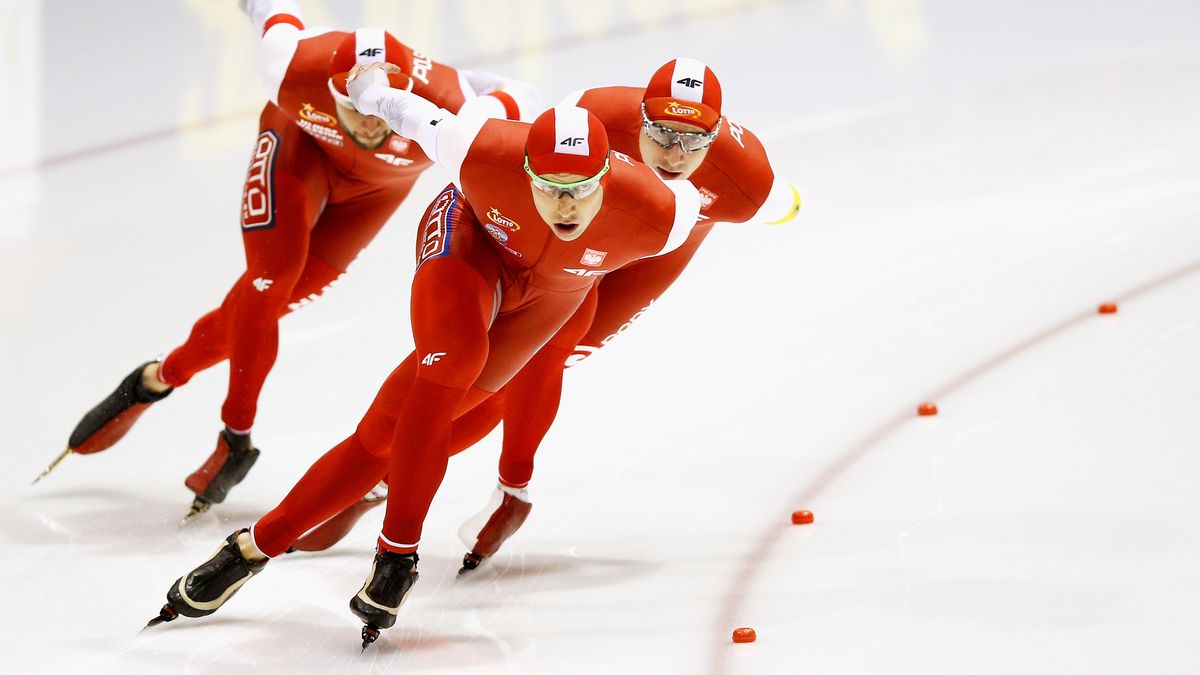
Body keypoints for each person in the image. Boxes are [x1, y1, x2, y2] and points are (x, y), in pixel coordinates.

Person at [145, 62, 705, 650]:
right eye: (548, 188)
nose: (564, 208)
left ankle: (250, 548)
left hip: (551, 293)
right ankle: (397, 557)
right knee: (449, 368)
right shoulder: (482, 150)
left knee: (384, 436)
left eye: (580, 192)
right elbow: (404, 110)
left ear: (607, 180)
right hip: (469, 244)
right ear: (526, 172)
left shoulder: (665, 216)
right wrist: (372, 91)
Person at [294, 58, 801, 569]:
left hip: (645, 248)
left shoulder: (745, 183)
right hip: (569, 226)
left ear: (715, 138)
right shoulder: (593, 110)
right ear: (640, 117)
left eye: (693, 141)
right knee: (495, 365)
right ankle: (392, 478)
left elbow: (787, 205)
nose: (673, 152)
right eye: (660, 132)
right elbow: (527, 159)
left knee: (542, 360)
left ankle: (483, 486)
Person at [40, 0, 535, 521]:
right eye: (353, 110)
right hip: (299, 153)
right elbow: (269, 10)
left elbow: (523, 104)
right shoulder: (293, 66)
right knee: (267, 283)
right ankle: (236, 436)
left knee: (270, 308)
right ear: (329, 92)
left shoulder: (452, 105)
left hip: (374, 192)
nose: (369, 126)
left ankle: (157, 378)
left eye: (380, 113)